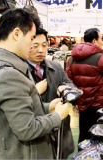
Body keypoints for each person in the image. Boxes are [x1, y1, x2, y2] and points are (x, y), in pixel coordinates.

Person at [0, 9, 70, 159]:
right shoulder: (8, 74)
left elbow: (16, 111)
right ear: (16, 34)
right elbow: (27, 129)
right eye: (31, 38)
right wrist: (57, 116)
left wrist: (47, 107)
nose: (33, 45)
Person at [27, 28, 77, 159]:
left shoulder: (55, 67)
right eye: (35, 45)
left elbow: (71, 85)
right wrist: (34, 91)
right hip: (36, 134)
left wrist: (65, 89)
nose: (41, 50)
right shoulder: (18, 72)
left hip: (60, 132)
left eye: (44, 45)